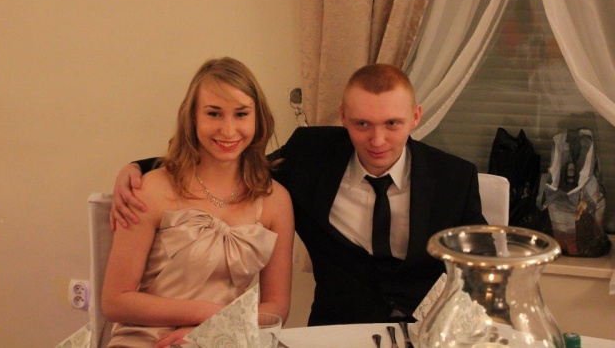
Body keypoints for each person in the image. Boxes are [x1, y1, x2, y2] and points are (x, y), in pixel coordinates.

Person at [112, 63, 485, 327]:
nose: (377, 139)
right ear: (343, 116)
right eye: (362, 124)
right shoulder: (311, 155)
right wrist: (138, 167)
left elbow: (482, 269)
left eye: (392, 123)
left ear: (415, 117)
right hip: (335, 332)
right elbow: (232, 160)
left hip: (428, 331)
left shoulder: (454, 178)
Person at [102, 57, 294, 348]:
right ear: (192, 117)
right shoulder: (152, 189)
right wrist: (210, 316)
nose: (228, 130)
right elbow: (115, 301)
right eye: (214, 114)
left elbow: (277, 306)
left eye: (241, 114)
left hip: (225, 339)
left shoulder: (276, 201)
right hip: (147, 341)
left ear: (258, 119)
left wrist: (214, 329)